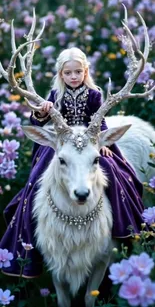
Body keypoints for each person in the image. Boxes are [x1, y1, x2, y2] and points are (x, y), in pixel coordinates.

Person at [0, 47, 145, 278]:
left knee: (115, 174)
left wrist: (102, 143)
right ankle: (29, 240)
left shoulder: (94, 94)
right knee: (36, 181)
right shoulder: (55, 95)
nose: (74, 76)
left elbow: (100, 122)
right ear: (61, 75)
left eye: (78, 72)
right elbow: (35, 122)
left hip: (89, 143)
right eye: (68, 73)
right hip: (63, 144)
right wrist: (41, 112)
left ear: (85, 71)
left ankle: (122, 228)